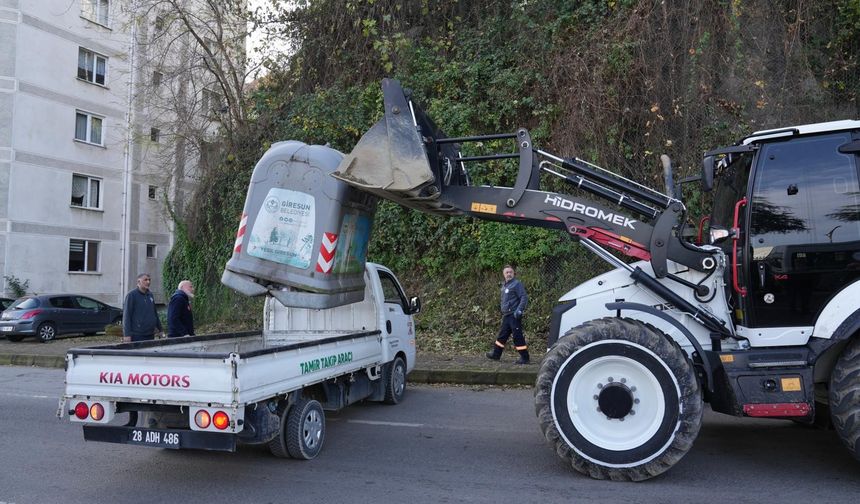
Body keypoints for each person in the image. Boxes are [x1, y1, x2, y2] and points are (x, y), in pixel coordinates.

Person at [486, 264, 530, 364]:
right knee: (502, 335)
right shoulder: (504, 285)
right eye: (507, 272)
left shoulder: (516, 284)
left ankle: (525, 357)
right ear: (503, 274)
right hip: (506, 315)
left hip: (514, 315)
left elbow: (524, 297)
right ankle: (496, 354)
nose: (508, 274)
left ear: (514, 273)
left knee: (517, 336)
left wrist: (519, 310)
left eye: (510, 272)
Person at [123, 273, 162, 342]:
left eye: (149, 280)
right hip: (137, 335)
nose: (148, 282)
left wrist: (160, 330)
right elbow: (127, 316)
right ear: (138, 282)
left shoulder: (150, 295)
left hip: (150, 334)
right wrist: (127, 334)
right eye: (145, 280)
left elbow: (154, 313)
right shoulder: (131, 295)